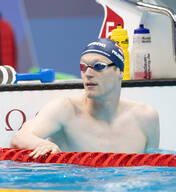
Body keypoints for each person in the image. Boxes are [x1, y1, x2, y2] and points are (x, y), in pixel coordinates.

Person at [10, 38, 160, 159]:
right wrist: (42, 144)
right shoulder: (66, 110)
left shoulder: (145, 117)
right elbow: (20, 137)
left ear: (120, 71)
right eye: (83, 67)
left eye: (98, 66)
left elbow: (153, 169)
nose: (88, 73)